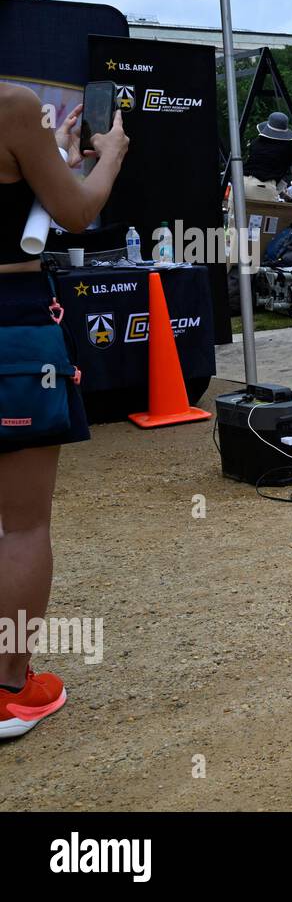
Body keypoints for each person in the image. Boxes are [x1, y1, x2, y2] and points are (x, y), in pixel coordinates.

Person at [0, 87, 128, 738]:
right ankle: (8, 689)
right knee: (21, 525)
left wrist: (54, 157)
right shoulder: (11, 106)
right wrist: (108, 156)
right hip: (12, 325)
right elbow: (76, 213)